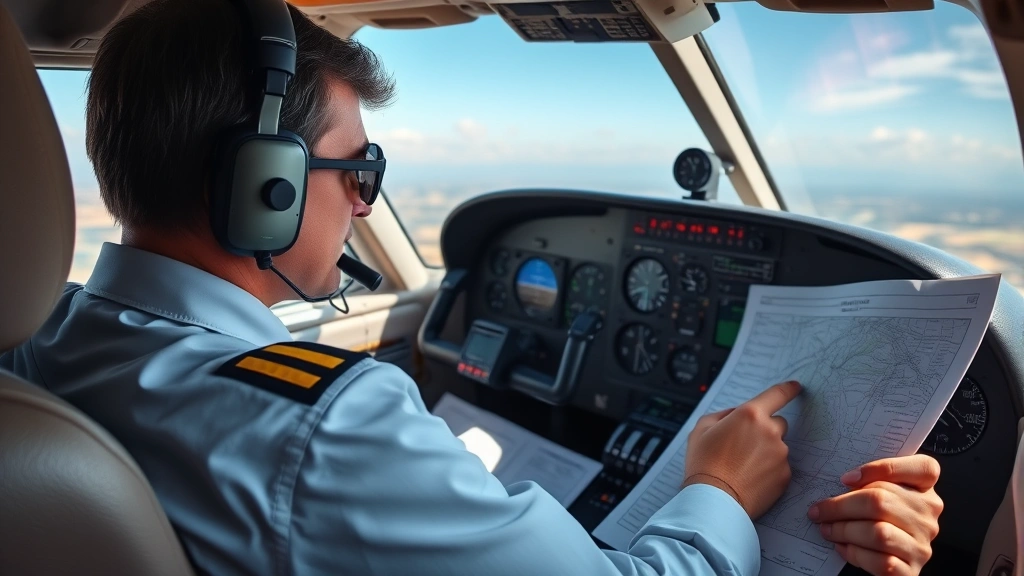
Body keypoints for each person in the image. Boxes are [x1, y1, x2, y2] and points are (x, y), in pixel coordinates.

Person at [0, 1, 943, 574]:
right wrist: (723, 493)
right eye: (356, 168)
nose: (367, 207)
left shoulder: (44, 344)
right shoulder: (324, 429)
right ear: (265, 191)